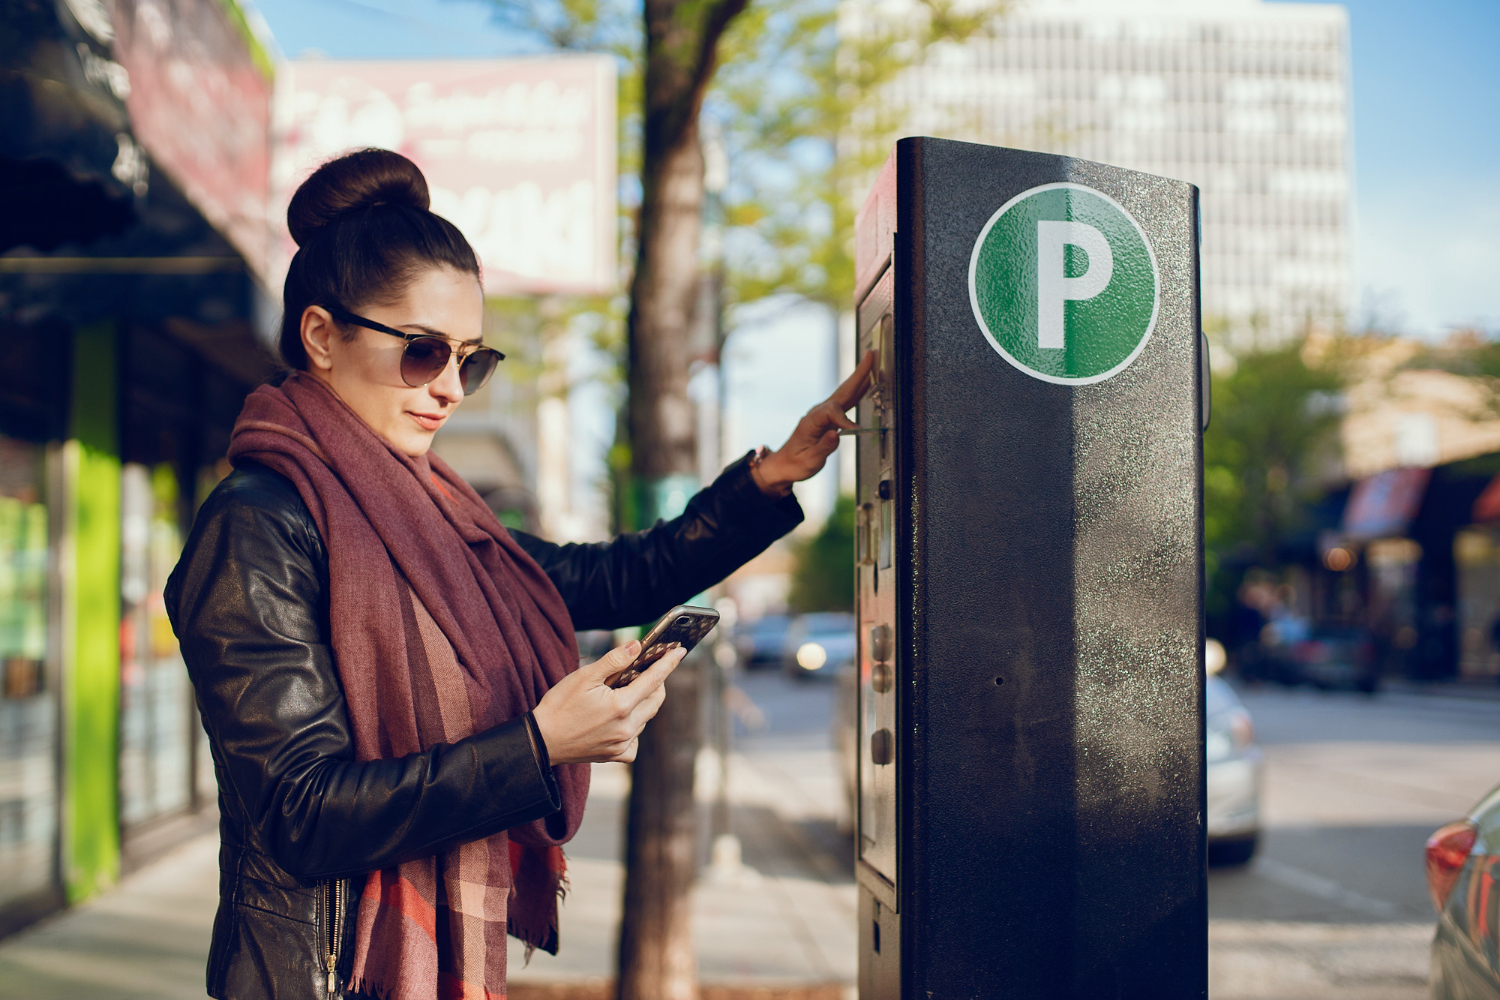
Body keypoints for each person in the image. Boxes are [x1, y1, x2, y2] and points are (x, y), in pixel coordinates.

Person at [165, 148, 875, 1000]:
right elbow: (300, 811)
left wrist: (768, 481)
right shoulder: (258, 524)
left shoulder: (441, 513)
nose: (453, 389)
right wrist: (539, 747)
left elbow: (609, 579)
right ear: (321, 335)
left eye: (472, 359)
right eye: (424, 351)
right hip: (319, 976)